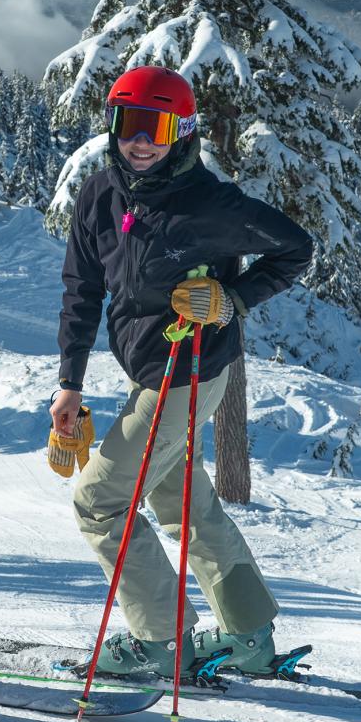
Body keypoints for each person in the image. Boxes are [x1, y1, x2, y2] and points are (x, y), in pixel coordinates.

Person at [50, 66, 313, 678]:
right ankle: (249, 635)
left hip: (188, 373)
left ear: (183, 130)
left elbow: (294, 248)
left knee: (99, 501)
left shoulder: (210, 203)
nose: (139, 141)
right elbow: (81, 290)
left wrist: (231, 299)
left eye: (156, 126)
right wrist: (71, 380)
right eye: (127, 124)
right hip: (148, 370)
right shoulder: (99, 196)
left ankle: (161, 643)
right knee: (180, 500)